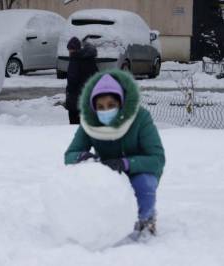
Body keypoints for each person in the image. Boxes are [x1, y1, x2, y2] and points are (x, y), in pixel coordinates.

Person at [64, 69, 165, 238]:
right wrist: (83, 158)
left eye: (111, 105)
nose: (106, 110)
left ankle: (146, 219)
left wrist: (126, 163)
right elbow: (70, 154)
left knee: (144, 185)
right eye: (101, 107)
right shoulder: (90, 123)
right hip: (108, 173)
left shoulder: (140, 118)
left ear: (121, 102)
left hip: (138, 171)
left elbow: (157, 159)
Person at [65, 37, 98, 124]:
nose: (69, 52)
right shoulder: (90, 59)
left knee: (74, 126)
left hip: (75, 99)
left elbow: (72, 79)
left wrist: (69, 92)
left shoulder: (74, 59)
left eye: (70, 50)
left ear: (73, 49)